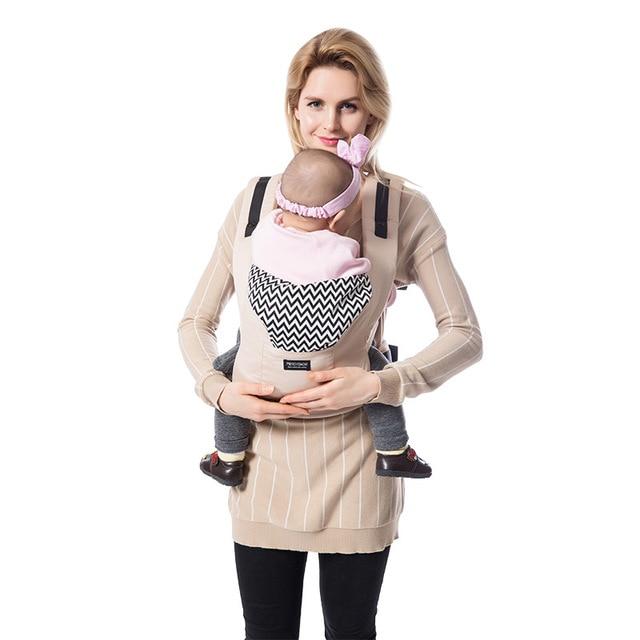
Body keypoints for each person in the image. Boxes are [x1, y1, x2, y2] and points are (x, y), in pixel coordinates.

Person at [177, 28, 483, 640]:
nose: (331, 122)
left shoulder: (401, 209)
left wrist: (378, 385)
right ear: (294, 107)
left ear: (372, 113)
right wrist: (220, 392)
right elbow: (196, 323)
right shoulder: (255, 201)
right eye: (315, 103)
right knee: (266, 631)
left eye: (348, 105)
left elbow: (465, 334)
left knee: (351, 630)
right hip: (260, 464)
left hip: (361, 463)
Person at [199, 133, 432, 487]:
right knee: (379, 371)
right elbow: (371, 293)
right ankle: (393, 450)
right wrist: (390, 290)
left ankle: (228, 457)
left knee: (224, 372)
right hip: (332, 363)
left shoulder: (262, 232)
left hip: (263, 369)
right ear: (337, 219)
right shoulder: (343, 250)